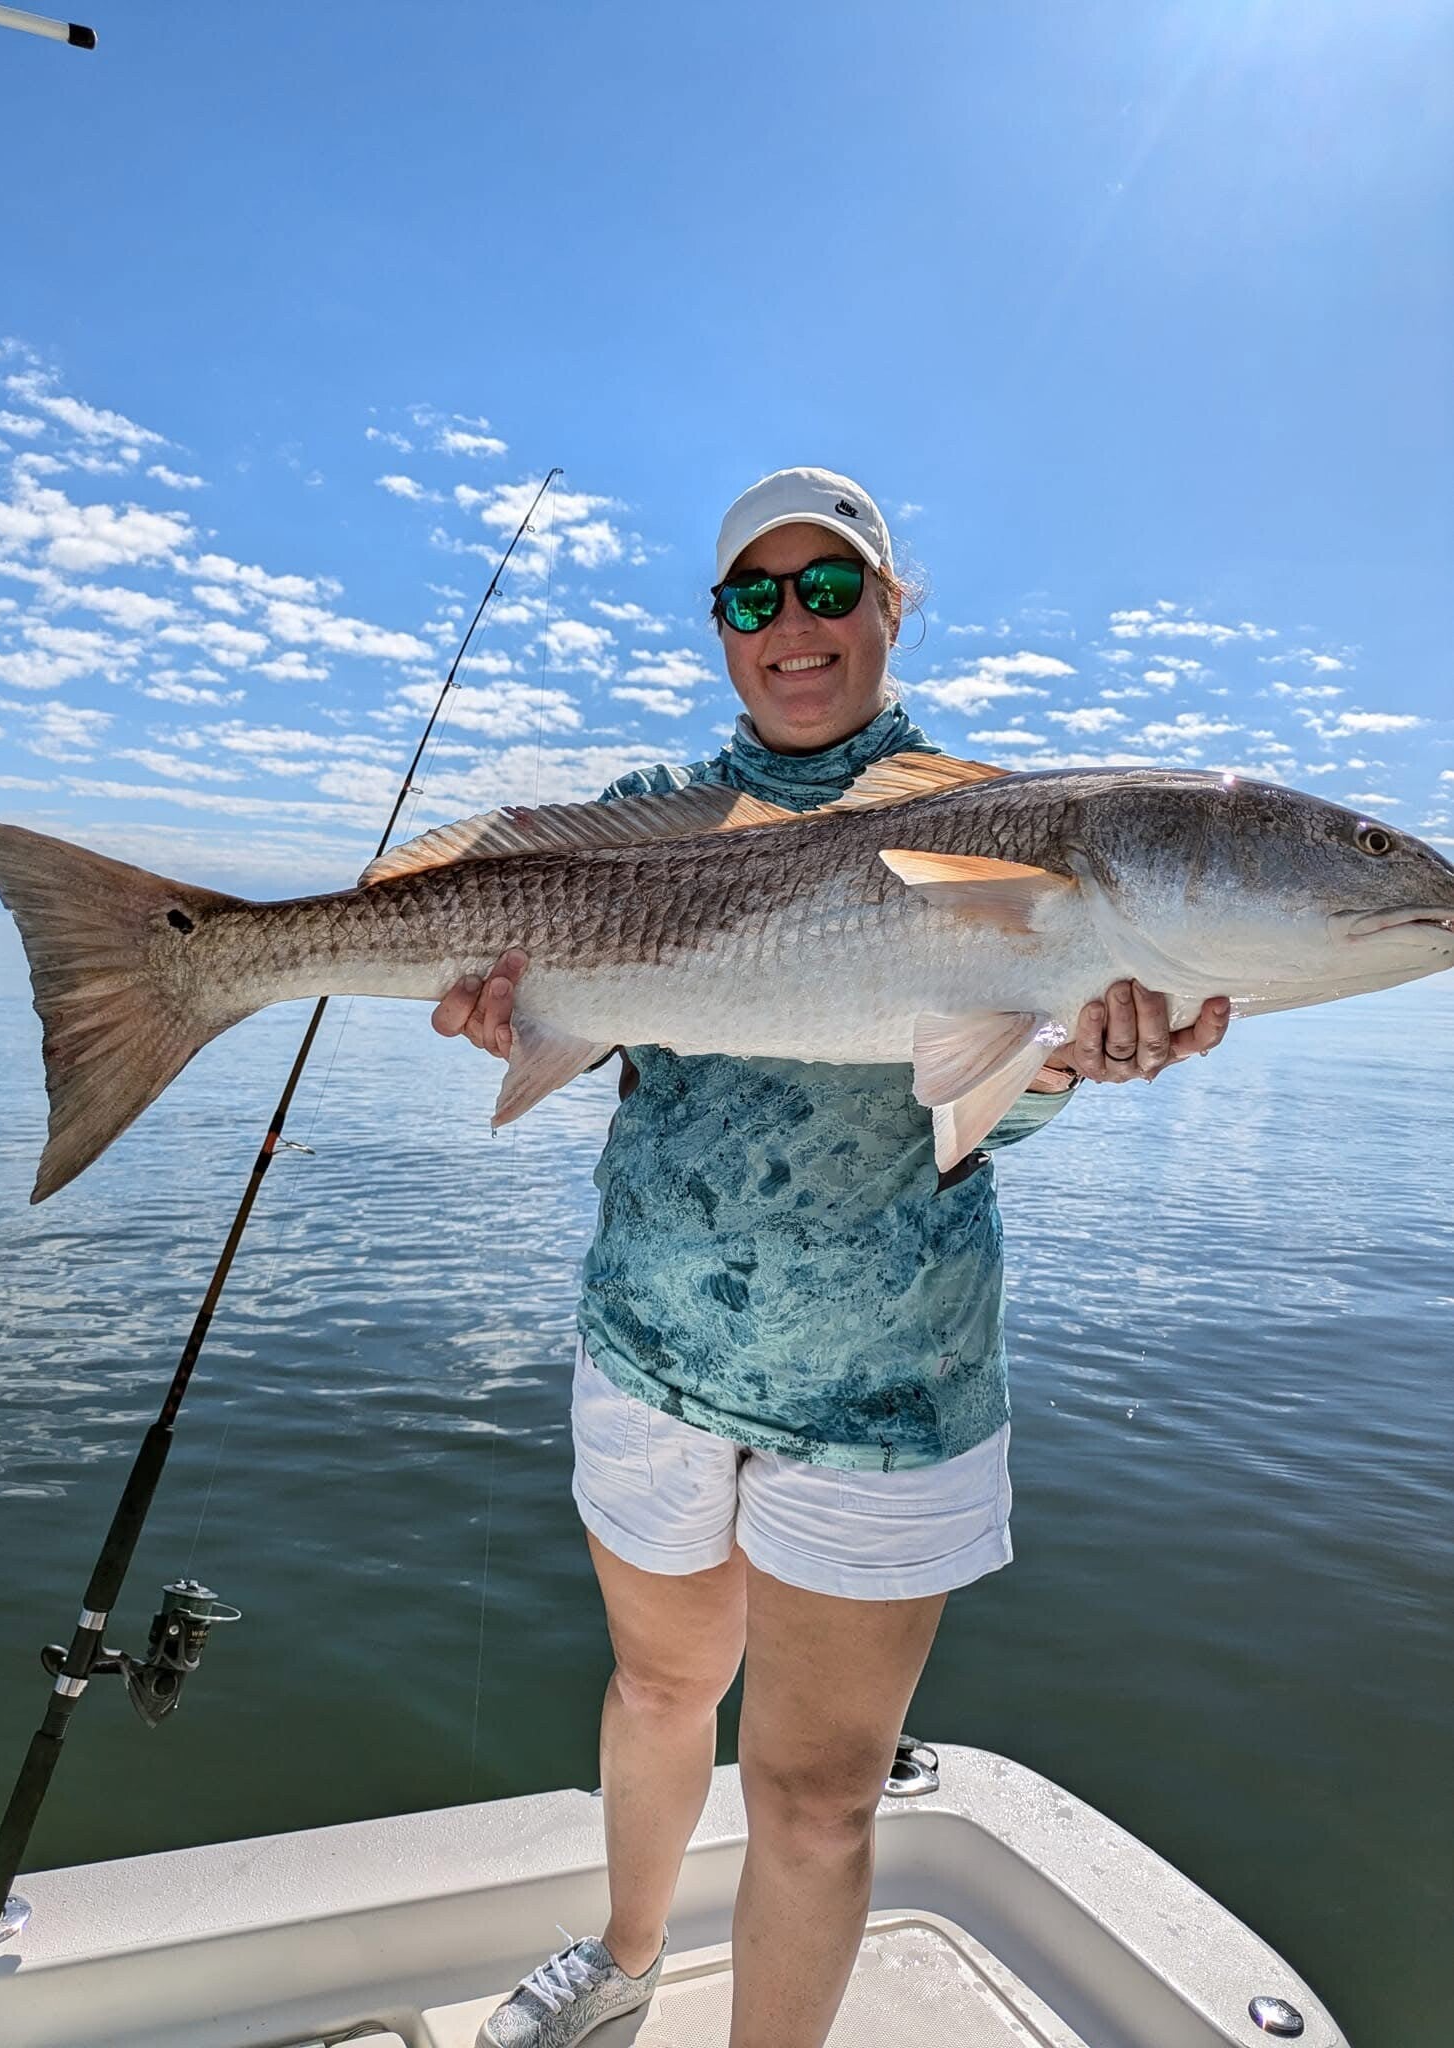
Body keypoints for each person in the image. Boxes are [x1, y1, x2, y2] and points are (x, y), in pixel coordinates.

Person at [439, 468, 1232, 2048]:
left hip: (886, 1384)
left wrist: (1066, 1065)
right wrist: (519, 1020)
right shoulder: (651, 810)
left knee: (811, 1801)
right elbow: (637, 1050)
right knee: (658, 1693)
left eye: (826, 588)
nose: (789, 624)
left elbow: (980, 1122)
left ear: (888, 606)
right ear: (720, 626)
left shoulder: (1005, 825)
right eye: (753, 595)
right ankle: (623, 1960)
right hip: (651, 1342)